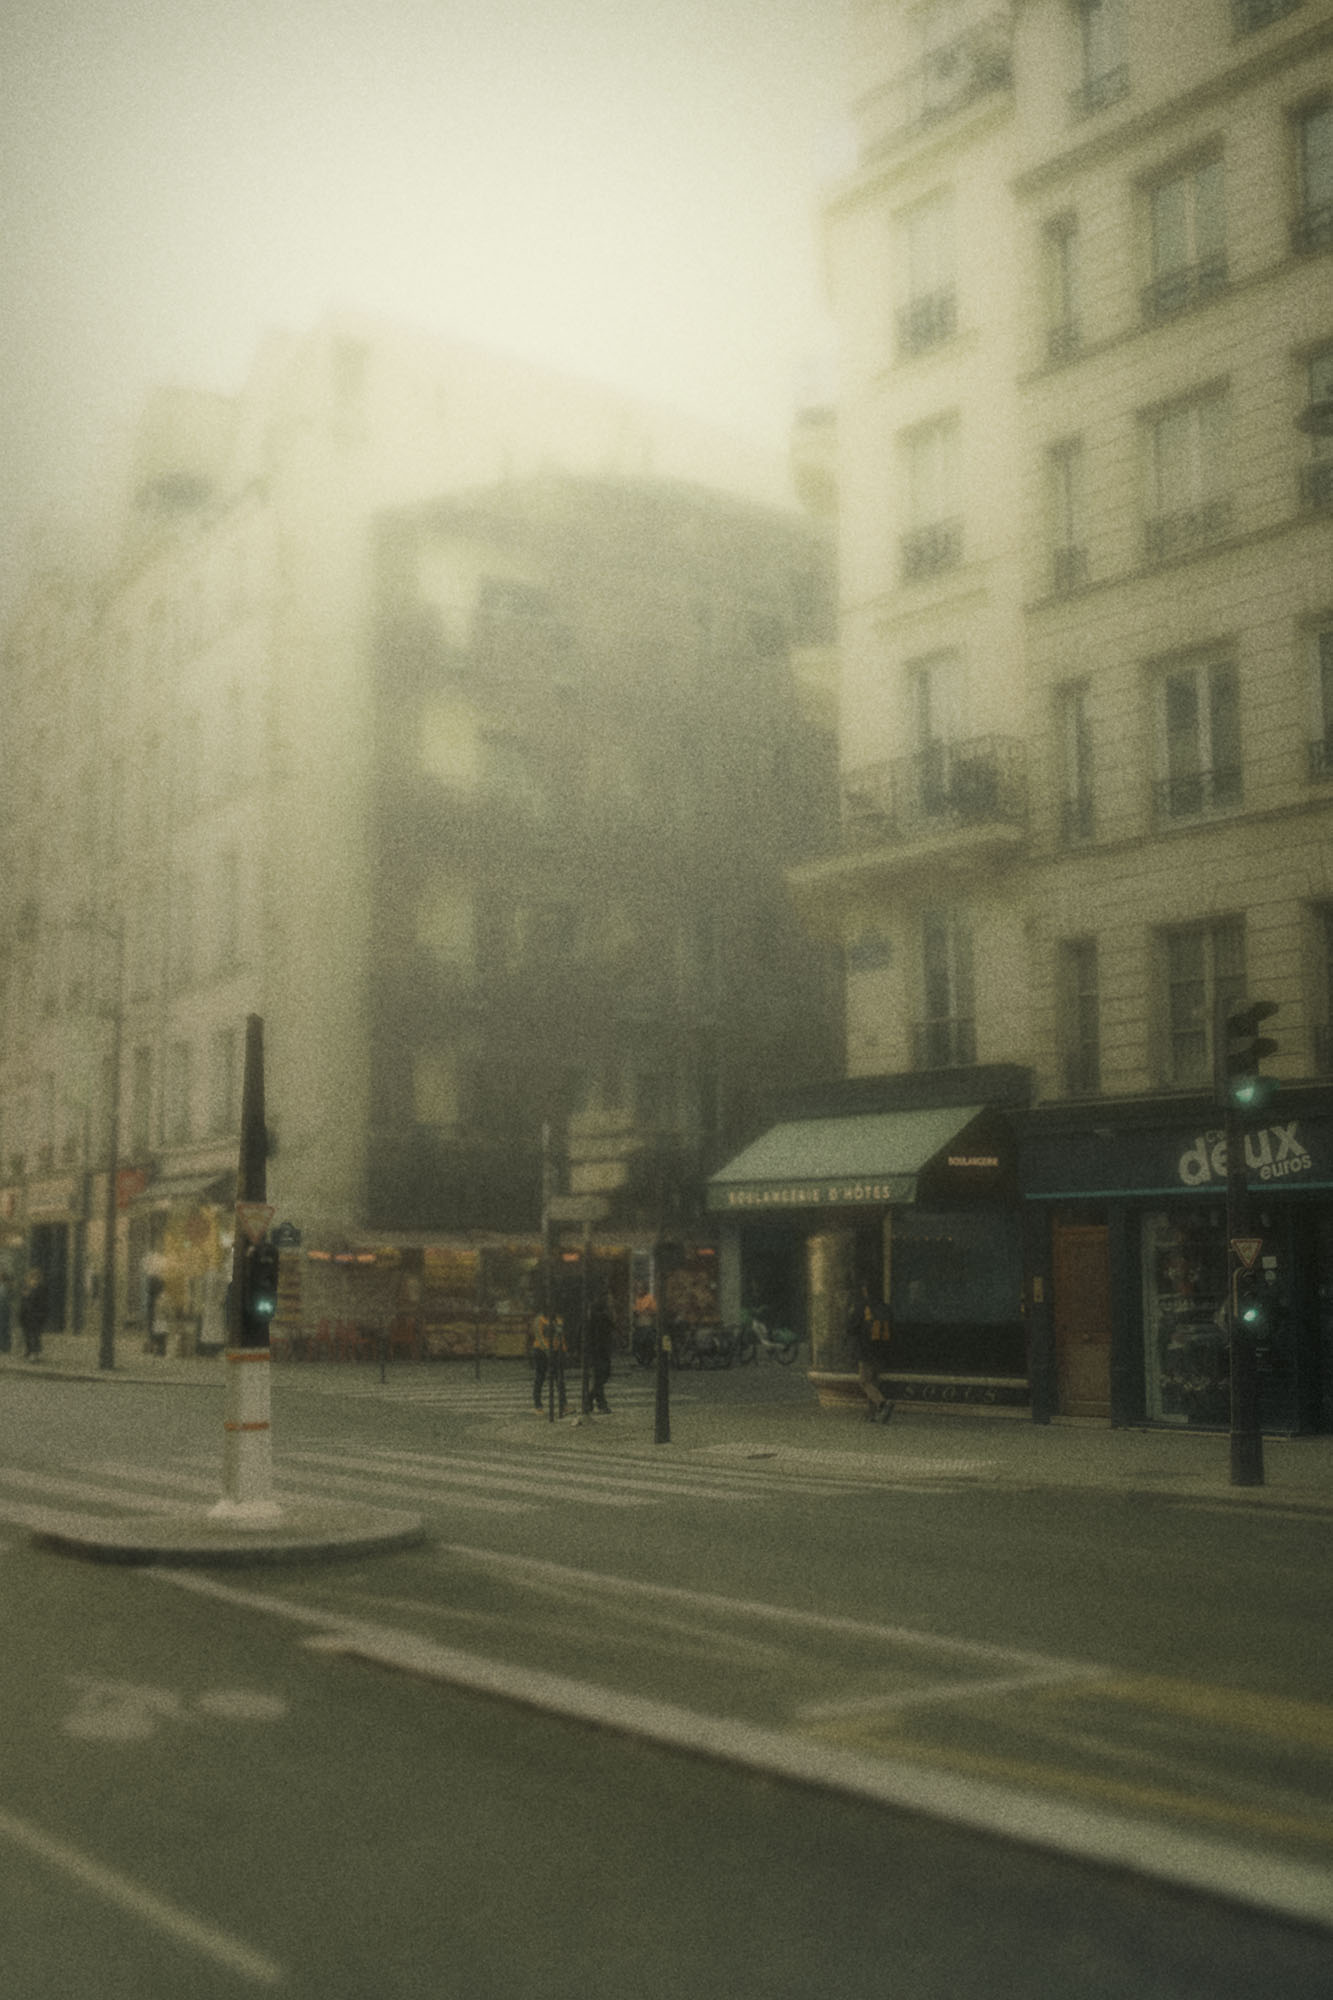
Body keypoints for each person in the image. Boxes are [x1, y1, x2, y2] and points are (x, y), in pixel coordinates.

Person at [848, 1281, 893, 1423]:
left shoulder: (863, 1307)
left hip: (866, 1349)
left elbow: (851, 1327)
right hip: (882, 1349)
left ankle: (883, 1403)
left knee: (864, 1381)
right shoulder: (885, 1307)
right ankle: (871, 1414)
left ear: (865, 1290)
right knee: (874, 1382)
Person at [584, 1291, 616, 1415]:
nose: (612, 1302)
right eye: (610, 1300)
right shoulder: (600, 1315)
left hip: (600, 1349)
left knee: (601, 1377)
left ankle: (593, 1401)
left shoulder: (601, 1314)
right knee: (601, 1376)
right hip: (599, 1350)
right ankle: (596, 1402)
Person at [530, 1308, 567, 1415]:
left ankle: (563, 1405)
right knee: (540, 1377)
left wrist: (563, 1349)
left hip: (555, 1351)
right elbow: (539, 1336)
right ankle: (538, 1405)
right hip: (541, 1351)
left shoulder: (558, 1320)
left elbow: (561, 1336)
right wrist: (547, 1350)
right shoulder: (540, 1320)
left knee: (559, 1378)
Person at [19, 1267, 47, 1360]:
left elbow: (42, 1304)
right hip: (26, 1315)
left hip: (35, 1315)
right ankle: (28, 1351)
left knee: (35, 1335)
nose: (33, 1280)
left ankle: (35, 1353)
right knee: (26, 1334)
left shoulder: (40, 1289)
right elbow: (23, 1302)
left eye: (35, 1278)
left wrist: (41, 1315)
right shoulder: (27, 1288)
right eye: (31, 1278)